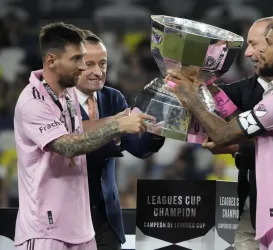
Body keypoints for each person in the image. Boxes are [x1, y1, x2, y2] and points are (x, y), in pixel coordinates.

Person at [165, 20, 273, 250]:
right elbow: (244, 131)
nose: (257, 51)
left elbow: (223, 134)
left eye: (266, 44)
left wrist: (192, 98)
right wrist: (203, 84)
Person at [13, 22, 155, 250]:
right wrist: (117, 127)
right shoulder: (33, 103)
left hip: (82, 229)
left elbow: (80, 128)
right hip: (46, 230)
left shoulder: (65, 93)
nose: (83, 69)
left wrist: (120, 119)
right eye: (77, 60)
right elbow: (67, 145)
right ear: (51, 61)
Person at [75, 30, 165, 250]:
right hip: (70, 214)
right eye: (90, 64)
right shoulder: (57, 102)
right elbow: (71, 144)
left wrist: (156, 131)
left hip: (107, 217)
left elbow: (137, 148)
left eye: (103, 64)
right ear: (74, 64)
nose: (98, 71)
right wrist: (112, 131)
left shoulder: (113, 97)